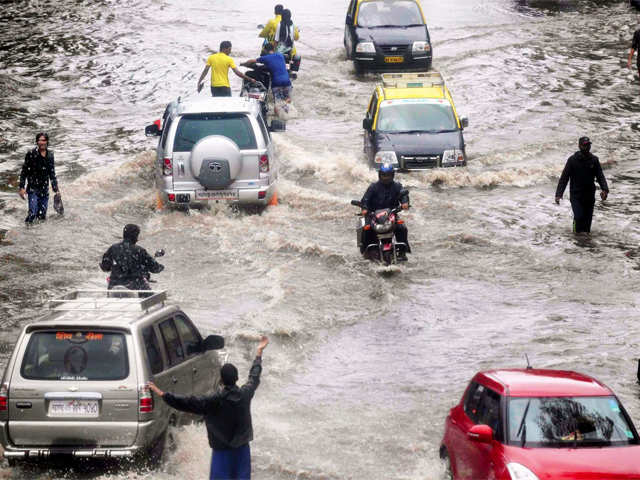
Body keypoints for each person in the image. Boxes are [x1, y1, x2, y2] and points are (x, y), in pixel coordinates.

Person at [147, 336, 269, 480]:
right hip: (242, 449)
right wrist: (259, 352)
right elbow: (254, 377)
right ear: (236, 378)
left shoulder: (212, 401)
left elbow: (187, 403)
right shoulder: (245, 394)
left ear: (221, 380)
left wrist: (162, 394)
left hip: (221, 452)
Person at [555, 137, 609, 234]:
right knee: (579, 217)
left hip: (589, 195)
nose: (587, 147)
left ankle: (584, 244)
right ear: (579, 146)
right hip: (576, 195)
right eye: (584, 145)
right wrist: (559, 194)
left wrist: (605, 189)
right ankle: (575, 235)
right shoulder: (572, 160)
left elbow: (600, 176)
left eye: (588, 145)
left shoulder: (594, 160)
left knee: (587, 223)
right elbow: (564, 178)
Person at [360, 163, 410, 259]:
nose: (386, 178)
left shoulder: (397, 186)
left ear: (392, 175)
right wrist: (365, 208)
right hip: (373, 215)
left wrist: (405, 203)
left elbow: (403, 195)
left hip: (391, 214)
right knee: (366, 229)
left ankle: (403, 251)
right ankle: (366, 251)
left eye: (388, 175)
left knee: (402, 228)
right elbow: (365, 199)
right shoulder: (373, 187)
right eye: (383, 175)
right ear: (379, 175)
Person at [100, 224, 164, 292]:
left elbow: (105, 267)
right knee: (153, 299)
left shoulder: (113, 248)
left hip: (114, 286)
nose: (137, 239)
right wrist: (161, 267)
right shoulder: (140, 251)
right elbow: (155, 268)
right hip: (136, 287)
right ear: (135, 236)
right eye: (137, 235)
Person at [18, 132, 60, 223]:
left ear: (47, 141)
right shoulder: (31, 154)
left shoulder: (50, 155)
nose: (41, 142)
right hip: (33, 189)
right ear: (37, 142)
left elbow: (52, 174)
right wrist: (21, 187)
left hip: (44, 189)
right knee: (32, 214)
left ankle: (37, 235)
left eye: (43, 140)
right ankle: (26, 231)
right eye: (39, 140)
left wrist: (56, 189)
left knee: (42, 216)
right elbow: (24, 172)